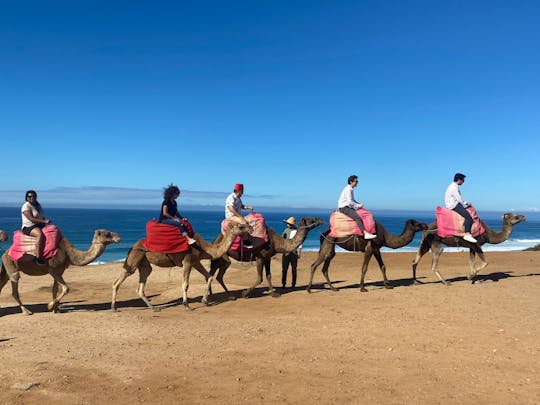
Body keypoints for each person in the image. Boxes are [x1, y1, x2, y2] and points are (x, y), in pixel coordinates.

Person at [337, 175, 376, 239]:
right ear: (351, 182)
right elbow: (349, 202)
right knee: (357, 218)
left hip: (347, 206)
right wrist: (358, 205)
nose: (357, 182)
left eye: (357, 181)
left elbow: (352, 200)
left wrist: (358, 204)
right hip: (344, 208)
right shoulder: (348, 189)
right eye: (356, 181)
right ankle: (365, 233)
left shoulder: (350, 189)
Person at [445, 173, 477, 243]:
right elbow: (459, 198)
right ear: (459, 180)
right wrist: (466, 203)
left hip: (454, 204)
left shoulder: (453, 186)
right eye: (463, 180)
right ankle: (467, 234)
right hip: (454, 205)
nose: (463, 181)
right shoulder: (454, 188)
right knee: (469, 218)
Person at [21, 190, 51, 265]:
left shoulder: (38, 205)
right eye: (29, 196)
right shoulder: (26, 206)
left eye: (33, 196)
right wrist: (44, 222)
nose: (32, 198)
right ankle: (38, 258)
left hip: (39, 225)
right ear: (26, 198)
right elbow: (31, 219)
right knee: (39, 234)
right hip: (29, 226)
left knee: (53, 231)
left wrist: (44, 221)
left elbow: (41, 216)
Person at [225, 183, 254, 248]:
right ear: (239, 191)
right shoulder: (231, 197)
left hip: (236, 216)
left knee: (248, 220)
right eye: (242, 191)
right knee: (243, 222)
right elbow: (230, 208)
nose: (242, 193)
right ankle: (245, 241)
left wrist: (248, 207)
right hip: (231, 216)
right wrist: (239, 216)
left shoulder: (238, 198)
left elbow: (242, 206)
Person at [281, 216, 301, 289]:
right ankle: (283, 283)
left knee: (294, 269)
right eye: (287, 223)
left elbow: (299, 243)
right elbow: (282, 240)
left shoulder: (297, 231)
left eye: (288, 224)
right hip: (286, 252)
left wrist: (299, 252)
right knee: (284, 269)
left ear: (292, 224)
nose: (287, 225)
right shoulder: (286, 230)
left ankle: (293, 284)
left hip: (294, 253)